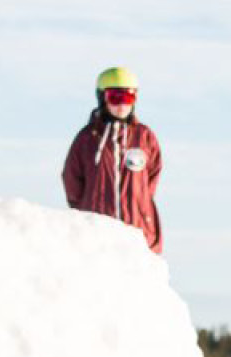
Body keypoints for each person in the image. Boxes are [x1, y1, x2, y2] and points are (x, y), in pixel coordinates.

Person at [62, 66, 163, 254]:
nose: (122, 105)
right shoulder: (88, 138)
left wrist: (140, 203)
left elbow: (152, 177)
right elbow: (72, 179)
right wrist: (85, 208)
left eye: (128, 98)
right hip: (96, 229)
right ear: (103, 99)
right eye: (115, 98)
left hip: (137, 228)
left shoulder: (144, 137)